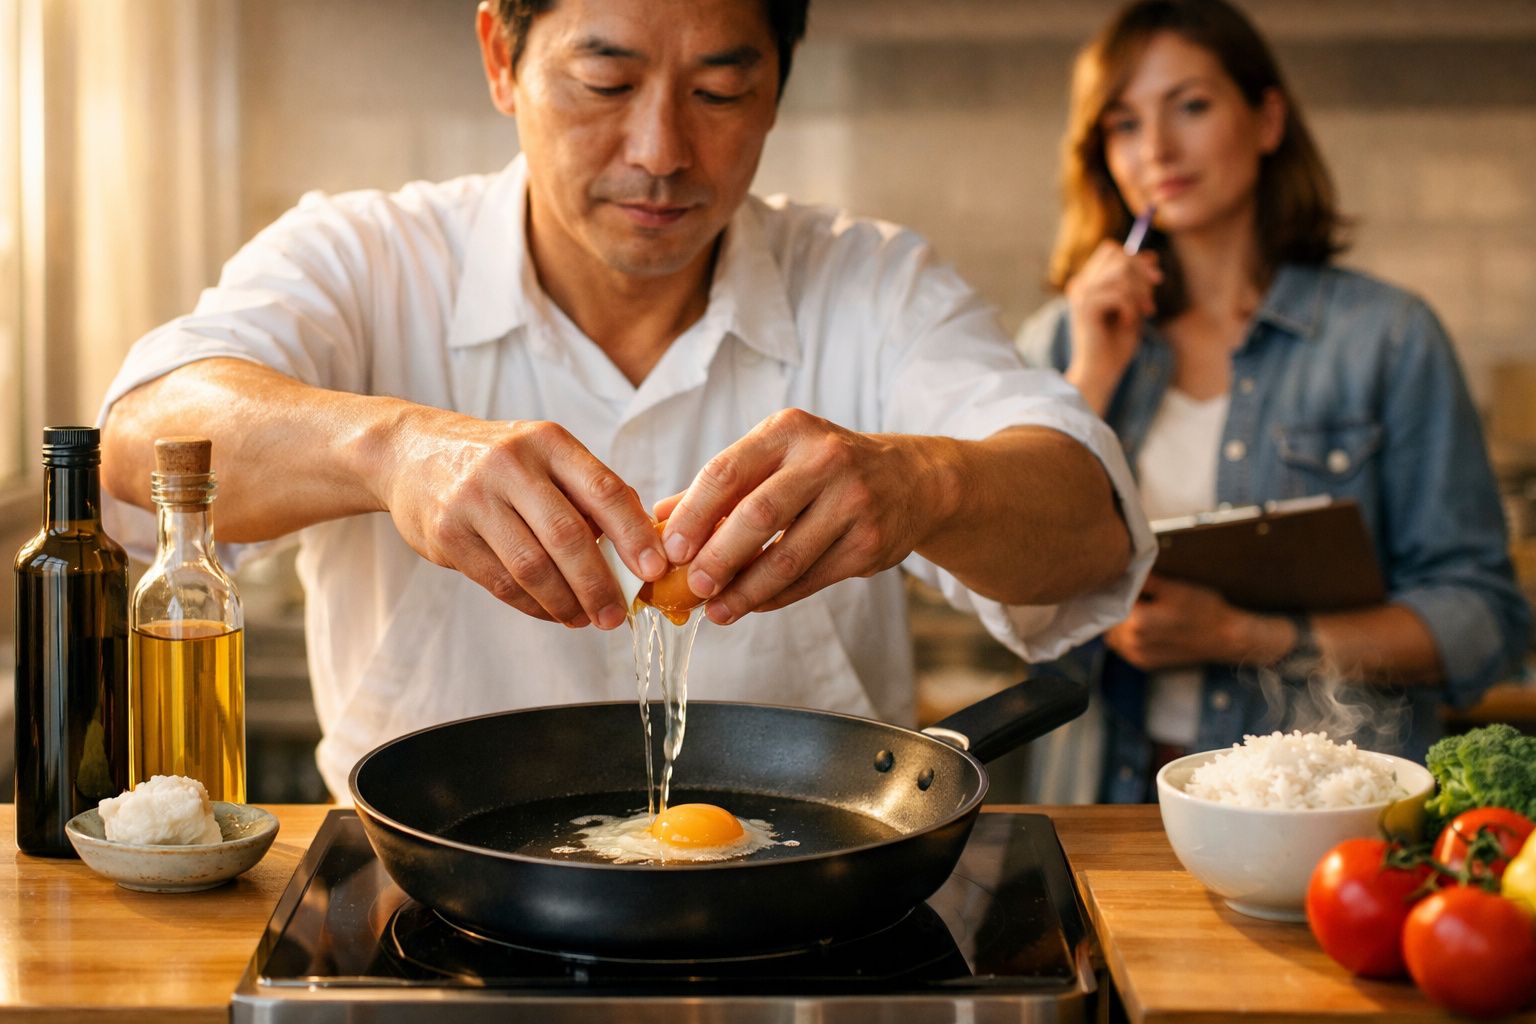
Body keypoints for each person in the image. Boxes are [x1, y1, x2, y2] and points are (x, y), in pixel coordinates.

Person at [98, 0, 1156, 800]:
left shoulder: (871, 285)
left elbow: (1092, 528)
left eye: (722, 91)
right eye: (606, 84)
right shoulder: (365, 259)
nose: (660, 152)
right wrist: (393, 451)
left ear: (778, 89)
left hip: (808, 915)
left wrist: (925, 482)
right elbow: (142, 429)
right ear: (502, 59)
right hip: (419, 902)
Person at [1018, 0, 1530, 803]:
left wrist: (1247, 636)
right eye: (1123, 123)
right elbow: (1004, 592)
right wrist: (1089, 377)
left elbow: (1483, 622)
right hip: (1103, 799)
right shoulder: (1063, 340)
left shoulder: (1388, 338)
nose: (1156, 149)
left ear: (1266, 118)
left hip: (1318, 816)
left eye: (1190, 105)